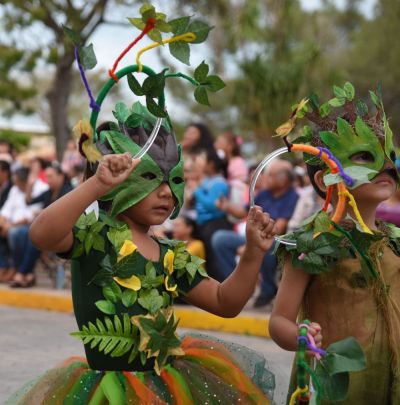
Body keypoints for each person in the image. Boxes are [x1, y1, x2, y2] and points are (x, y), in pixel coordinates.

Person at [7, 10, 276, 403]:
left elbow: (226, 303)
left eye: (174, 180)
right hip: (105, 389)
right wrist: (95, 185)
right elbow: (41, 233)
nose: (167, 192)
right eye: (151, 179)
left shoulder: (171, 256)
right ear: (116, 179)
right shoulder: (94, 240)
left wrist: (252, 254)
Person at [269, 83, 400, 403]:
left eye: (390, 156)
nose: (386, 166)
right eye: (365, 156)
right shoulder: (312, 243)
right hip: (336, 389)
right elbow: (278, 321)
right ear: (325, 177)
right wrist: (301, 336)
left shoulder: (394, 242)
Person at [212, 159, 299, 306]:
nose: (265, 178)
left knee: (270, 244)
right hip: (253, 237)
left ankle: (267, 291)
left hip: (273, 239)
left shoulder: (293, 196)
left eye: (269, 175)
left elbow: (279, 227)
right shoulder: (264, 193)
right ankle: (234, 286)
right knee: (220, 238)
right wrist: (226, 206)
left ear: (283, 180)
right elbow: (243, 213)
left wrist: (251, 246)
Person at [192, 149, 232, 280]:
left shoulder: (220, 183)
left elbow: (212, 205)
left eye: (204, 161)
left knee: (214, 259)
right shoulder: (207, 181)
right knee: (208, 258)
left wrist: (197, 191)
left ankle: (220, 285)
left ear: (211, 165)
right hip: (204, 225)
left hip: (215, 224)